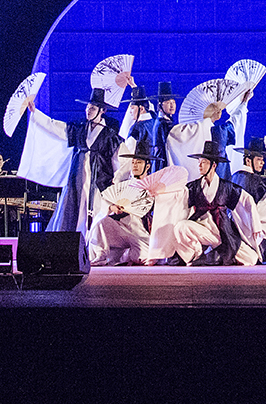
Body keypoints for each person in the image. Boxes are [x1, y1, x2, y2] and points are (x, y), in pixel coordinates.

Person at [160, 138, 248, 266]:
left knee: (250, 259)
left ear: (213, 165)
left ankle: (214, 254)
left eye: (204, 162)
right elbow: (177, 197)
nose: (200, 165)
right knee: (181, 226)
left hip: (223, 234)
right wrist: (162, 191)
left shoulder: (226, 187)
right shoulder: (194, 187)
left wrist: (254, 227)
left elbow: (246, 203)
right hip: (203, 230)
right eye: (199, 162)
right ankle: (197, 254)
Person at [47, 89, 120, 234]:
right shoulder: (80, 128)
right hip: (77, 177)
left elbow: (118, 160)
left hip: (98, 179)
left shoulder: (109, 135)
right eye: (88, 107)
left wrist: (116, 181)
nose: (88, 110)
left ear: (102, 111)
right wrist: (36, 114)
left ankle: (92, 242)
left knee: (95, 213)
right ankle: (73, 240)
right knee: (73, 208)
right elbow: (56, 127)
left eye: (92, 108)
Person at [91, 138, 156, 266]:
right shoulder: (124, 184)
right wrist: (112, 207)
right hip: (122, 229)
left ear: (147, 166)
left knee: (144, 257)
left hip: (140, 232)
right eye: (133, 162)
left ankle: (125, 256)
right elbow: (107, 200)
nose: (135, 166)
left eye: (139, 162)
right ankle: (101, 255)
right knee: (101, 222)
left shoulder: (153, 186)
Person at [130, 81, 179, 170]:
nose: (172, 105)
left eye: (173, 102)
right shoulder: (161, 123)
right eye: (168, 102)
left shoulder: (163, 121)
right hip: (161, 161)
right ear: (160, 105)